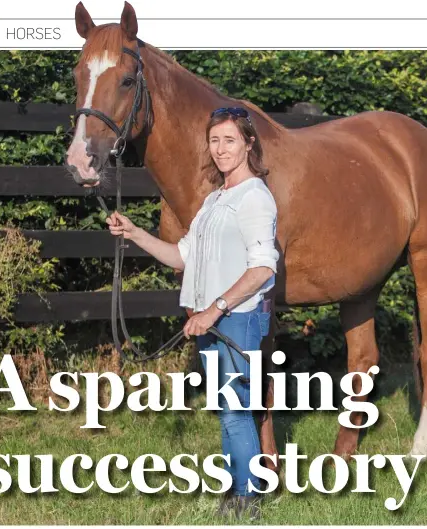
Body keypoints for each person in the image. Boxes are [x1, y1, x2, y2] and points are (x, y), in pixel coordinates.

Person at [106, 106, 278, 520]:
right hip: (214, 320)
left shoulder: (255, 197)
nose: (220, 149)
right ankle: (237, 492)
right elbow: (183, 256)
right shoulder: (216, 199)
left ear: (249, 143)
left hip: (237, 318)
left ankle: (248, 498)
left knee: (236, 407)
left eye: (230, 140)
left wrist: (213, 310)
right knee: (228, 407)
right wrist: (135, 233)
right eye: (214, 140)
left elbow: (263, 267)